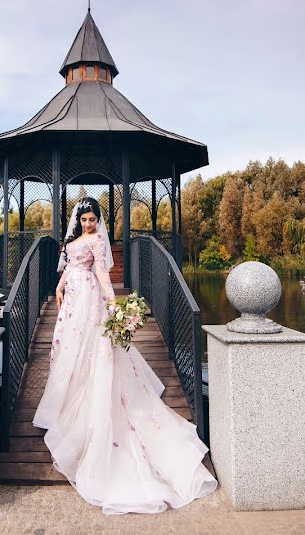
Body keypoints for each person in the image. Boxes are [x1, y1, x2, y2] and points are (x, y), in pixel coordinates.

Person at [33, 197, 217, 515]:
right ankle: (64, 402)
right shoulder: (73, 240)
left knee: (91, 350)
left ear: (98, 220)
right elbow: (69, 266)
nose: (89, 224)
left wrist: (113, 305)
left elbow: (102, 275)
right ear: (78, 218)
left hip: (91, 299)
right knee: (68, 351)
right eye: (85, 219)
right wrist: (59, 288)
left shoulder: (98, 241)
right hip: (72, 299)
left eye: (93, 219)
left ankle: (89, 403)